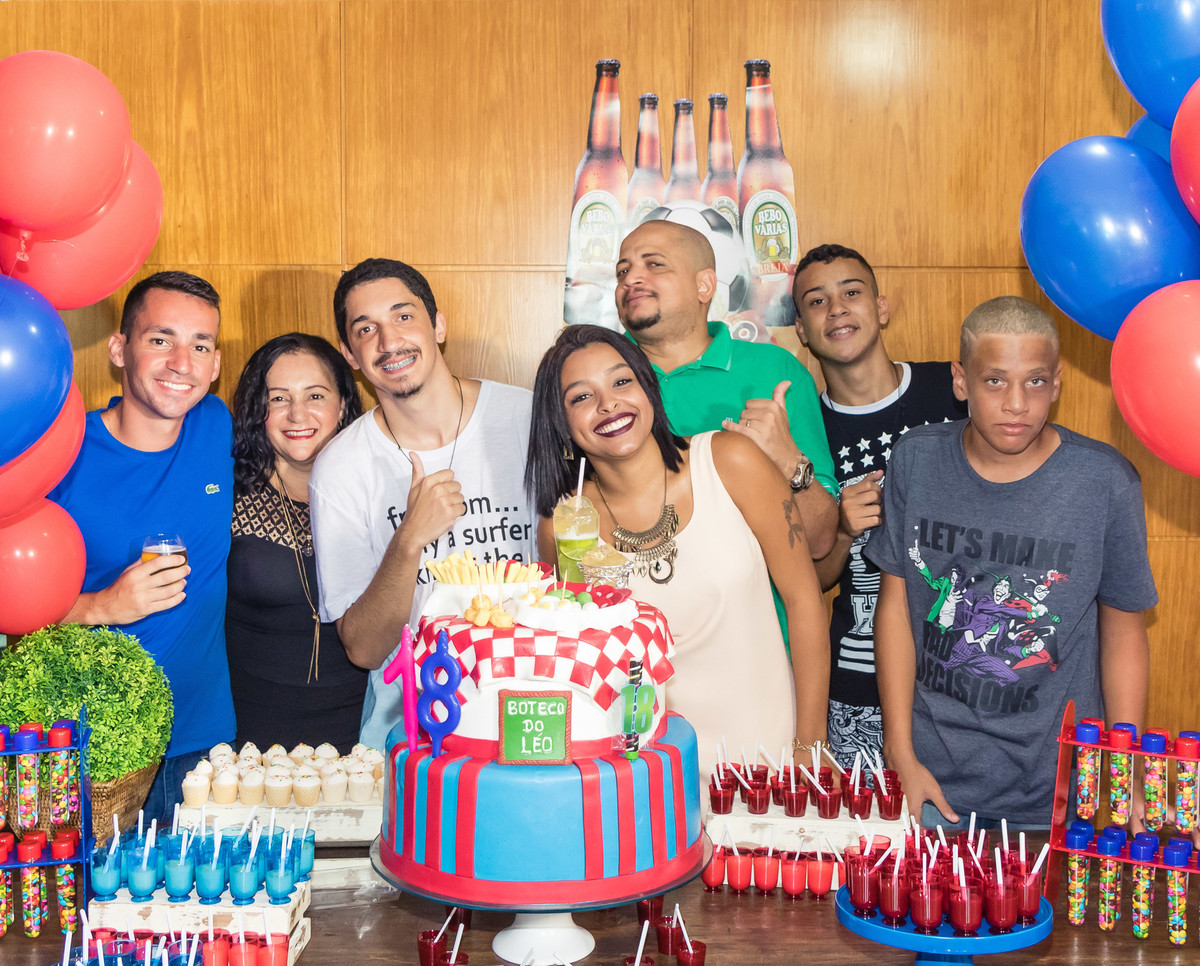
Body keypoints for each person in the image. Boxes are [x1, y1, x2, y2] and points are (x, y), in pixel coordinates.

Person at [867, 296, 1157, 828]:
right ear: (961, 381)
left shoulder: (1105, 480)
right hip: (932, 786)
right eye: (995, 381)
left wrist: (1125, 767)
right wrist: (900, 752)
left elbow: (1124, 632)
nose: (1017, 403)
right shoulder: (915, 459)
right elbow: (896, 610)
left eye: (1037, 381)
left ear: (1058, 382)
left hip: (1062, 794)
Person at [527, 324, 830, 783]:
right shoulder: (563, 527)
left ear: (649, 390)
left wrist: (810, 745)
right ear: (562, 427)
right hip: (640, 778)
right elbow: (581, 660)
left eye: (621, 381)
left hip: (768, 759)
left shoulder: (732, 461)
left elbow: (805, 599)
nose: (609, 403)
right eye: (581, 397)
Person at [309, 258, 537, 751]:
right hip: (417, 745)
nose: (388, 342)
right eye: (366, 329)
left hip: (535, 719)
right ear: (350, 354)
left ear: (438, 325)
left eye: (403, 316)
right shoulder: (341, 468)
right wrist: (410, 537)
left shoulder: (529, 418)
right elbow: (365, 649)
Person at [49, 271, 235, 822]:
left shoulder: (215, 425)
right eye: (161, 339)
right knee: (97, 909)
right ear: (118, 349)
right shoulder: (64, 455)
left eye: (200, 345)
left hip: (204, 747)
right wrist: (102, 606)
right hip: (96, 753)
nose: (183, 362)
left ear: (216, 365)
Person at [792, 244, 966, 774]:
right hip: (858, 688)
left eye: (852, 292)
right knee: (871, 851)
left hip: (965, 680)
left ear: (882, 307)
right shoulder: (804, 430)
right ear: (801, 330)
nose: (837, 309)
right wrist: (841, 528)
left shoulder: (955, 390)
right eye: (817, 301)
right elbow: (812, 582)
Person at [614, 220, 839, 560]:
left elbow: (820, 542)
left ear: (704, 285)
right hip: (628, 609)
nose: (630, 279)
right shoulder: (598, 382)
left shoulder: (775, 371)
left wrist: (787, 459)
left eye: (654, 264)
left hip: (753, 610)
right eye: (622, 271)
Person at [227, 332, 368, 751]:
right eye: (278, 399)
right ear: (258, 410)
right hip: (250, 744)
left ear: (342, 404)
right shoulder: (227, 494)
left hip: (366, 734)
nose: (296, 414)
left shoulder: (379, 493)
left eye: (316, 396)